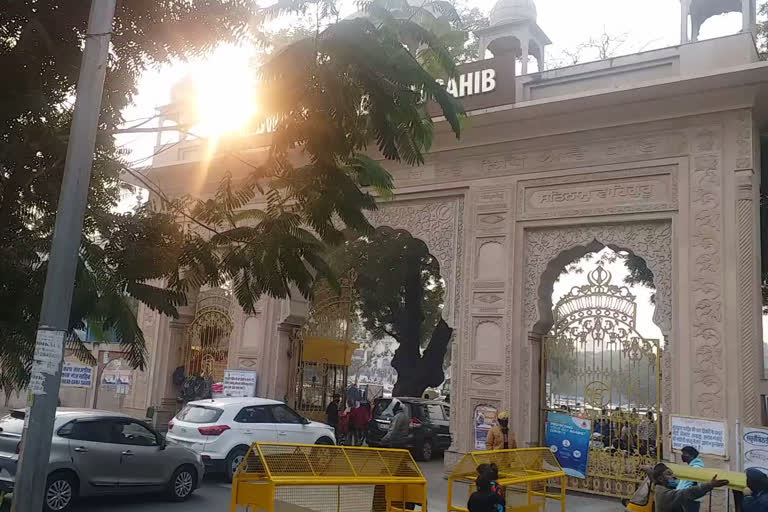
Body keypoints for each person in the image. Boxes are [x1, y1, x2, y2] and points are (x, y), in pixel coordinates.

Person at [649, 463, 728, 512]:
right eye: (669, 474)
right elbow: (687, 493)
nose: (674, 477)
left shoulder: (662, 489)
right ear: (660, 479)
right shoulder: (663, 494)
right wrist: (710, 485)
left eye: (672, 474)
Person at [676, 446, 704, 512]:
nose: (682, 455)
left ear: (691, 455)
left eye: (684, 453)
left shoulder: (696, 468)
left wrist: (683, 496)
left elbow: (693, 485)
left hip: (690, 501)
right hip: (685, 499)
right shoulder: (691, 467)